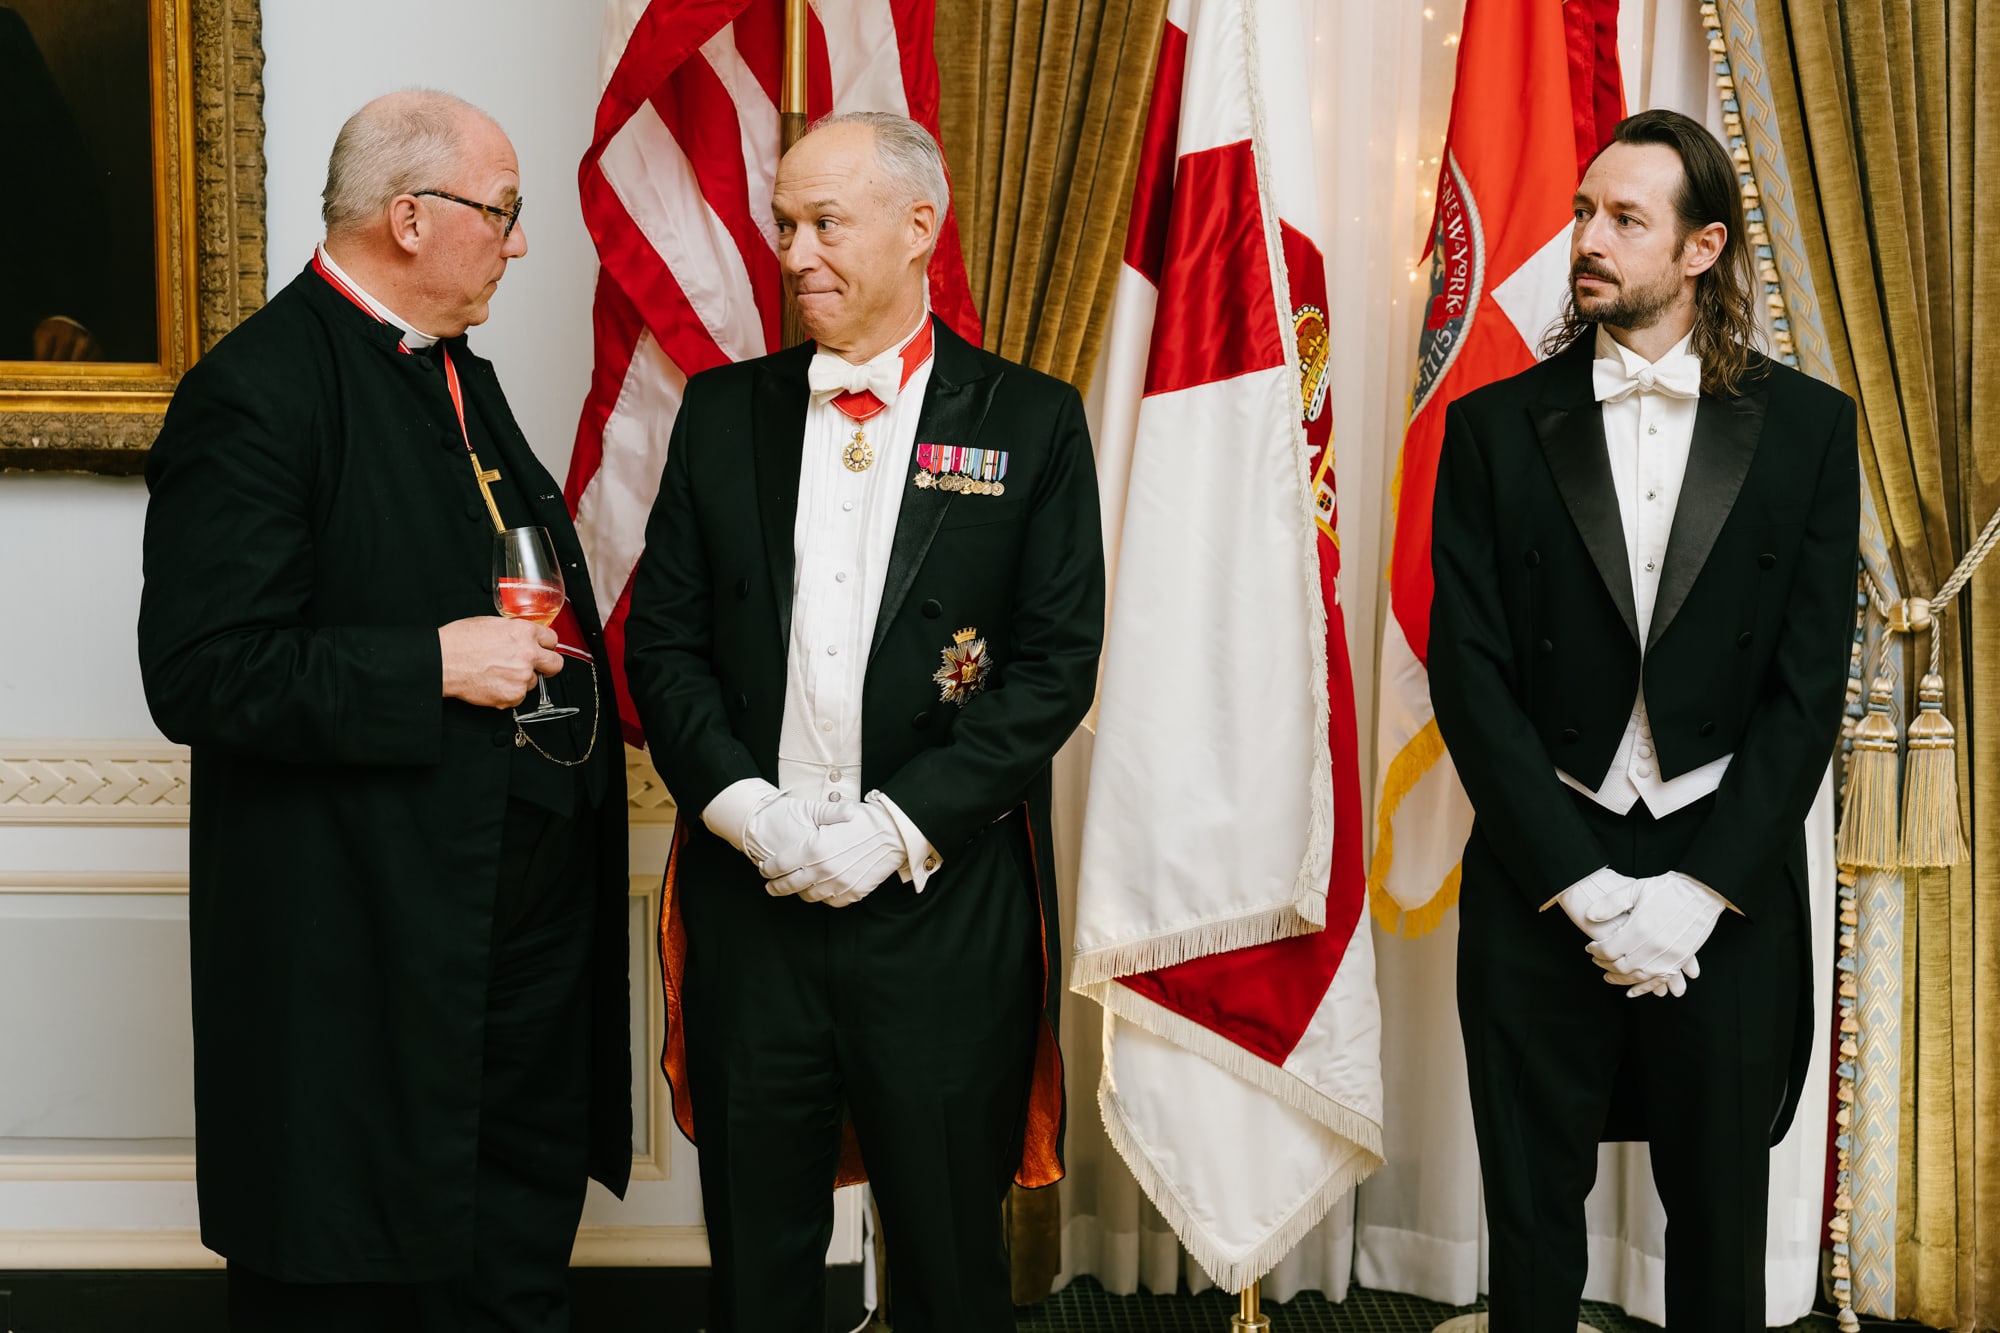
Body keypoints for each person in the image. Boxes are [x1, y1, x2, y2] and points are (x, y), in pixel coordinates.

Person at [138, 90, 630, 1333]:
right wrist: (431, 665)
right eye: (502, 211)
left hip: (516, 924)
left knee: (509, 1257)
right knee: (361, 1278)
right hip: (368, 940)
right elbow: (201, 672)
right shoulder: (255, 388)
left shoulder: (456, 370)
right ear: (409, 218)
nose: (519, 241)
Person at [624, 110, 1103, 1331]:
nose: (794, 253)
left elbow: (1053, 669)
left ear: (917, 226)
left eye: (824, 223)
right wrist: (748, 813)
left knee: (948, 1268)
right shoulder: (719, 413)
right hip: (754, 903)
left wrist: (894, 828)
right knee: (757, 1268)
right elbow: (662, 647)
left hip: (939, 913)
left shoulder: (1029, 420)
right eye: (783, 224)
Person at [1427, 108, 1857, 1330]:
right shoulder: (1491, 425)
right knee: (1527, 1238)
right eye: (1581, 211)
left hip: (1723, 886)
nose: (1587, 239)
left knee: (1719, 1241)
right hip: (1538, 875)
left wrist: (1697, 893)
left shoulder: (1809, 428)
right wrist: (1579, 886)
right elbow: (1469, 676)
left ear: (1700, 247)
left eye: (1623, 219)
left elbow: (1803, 691)